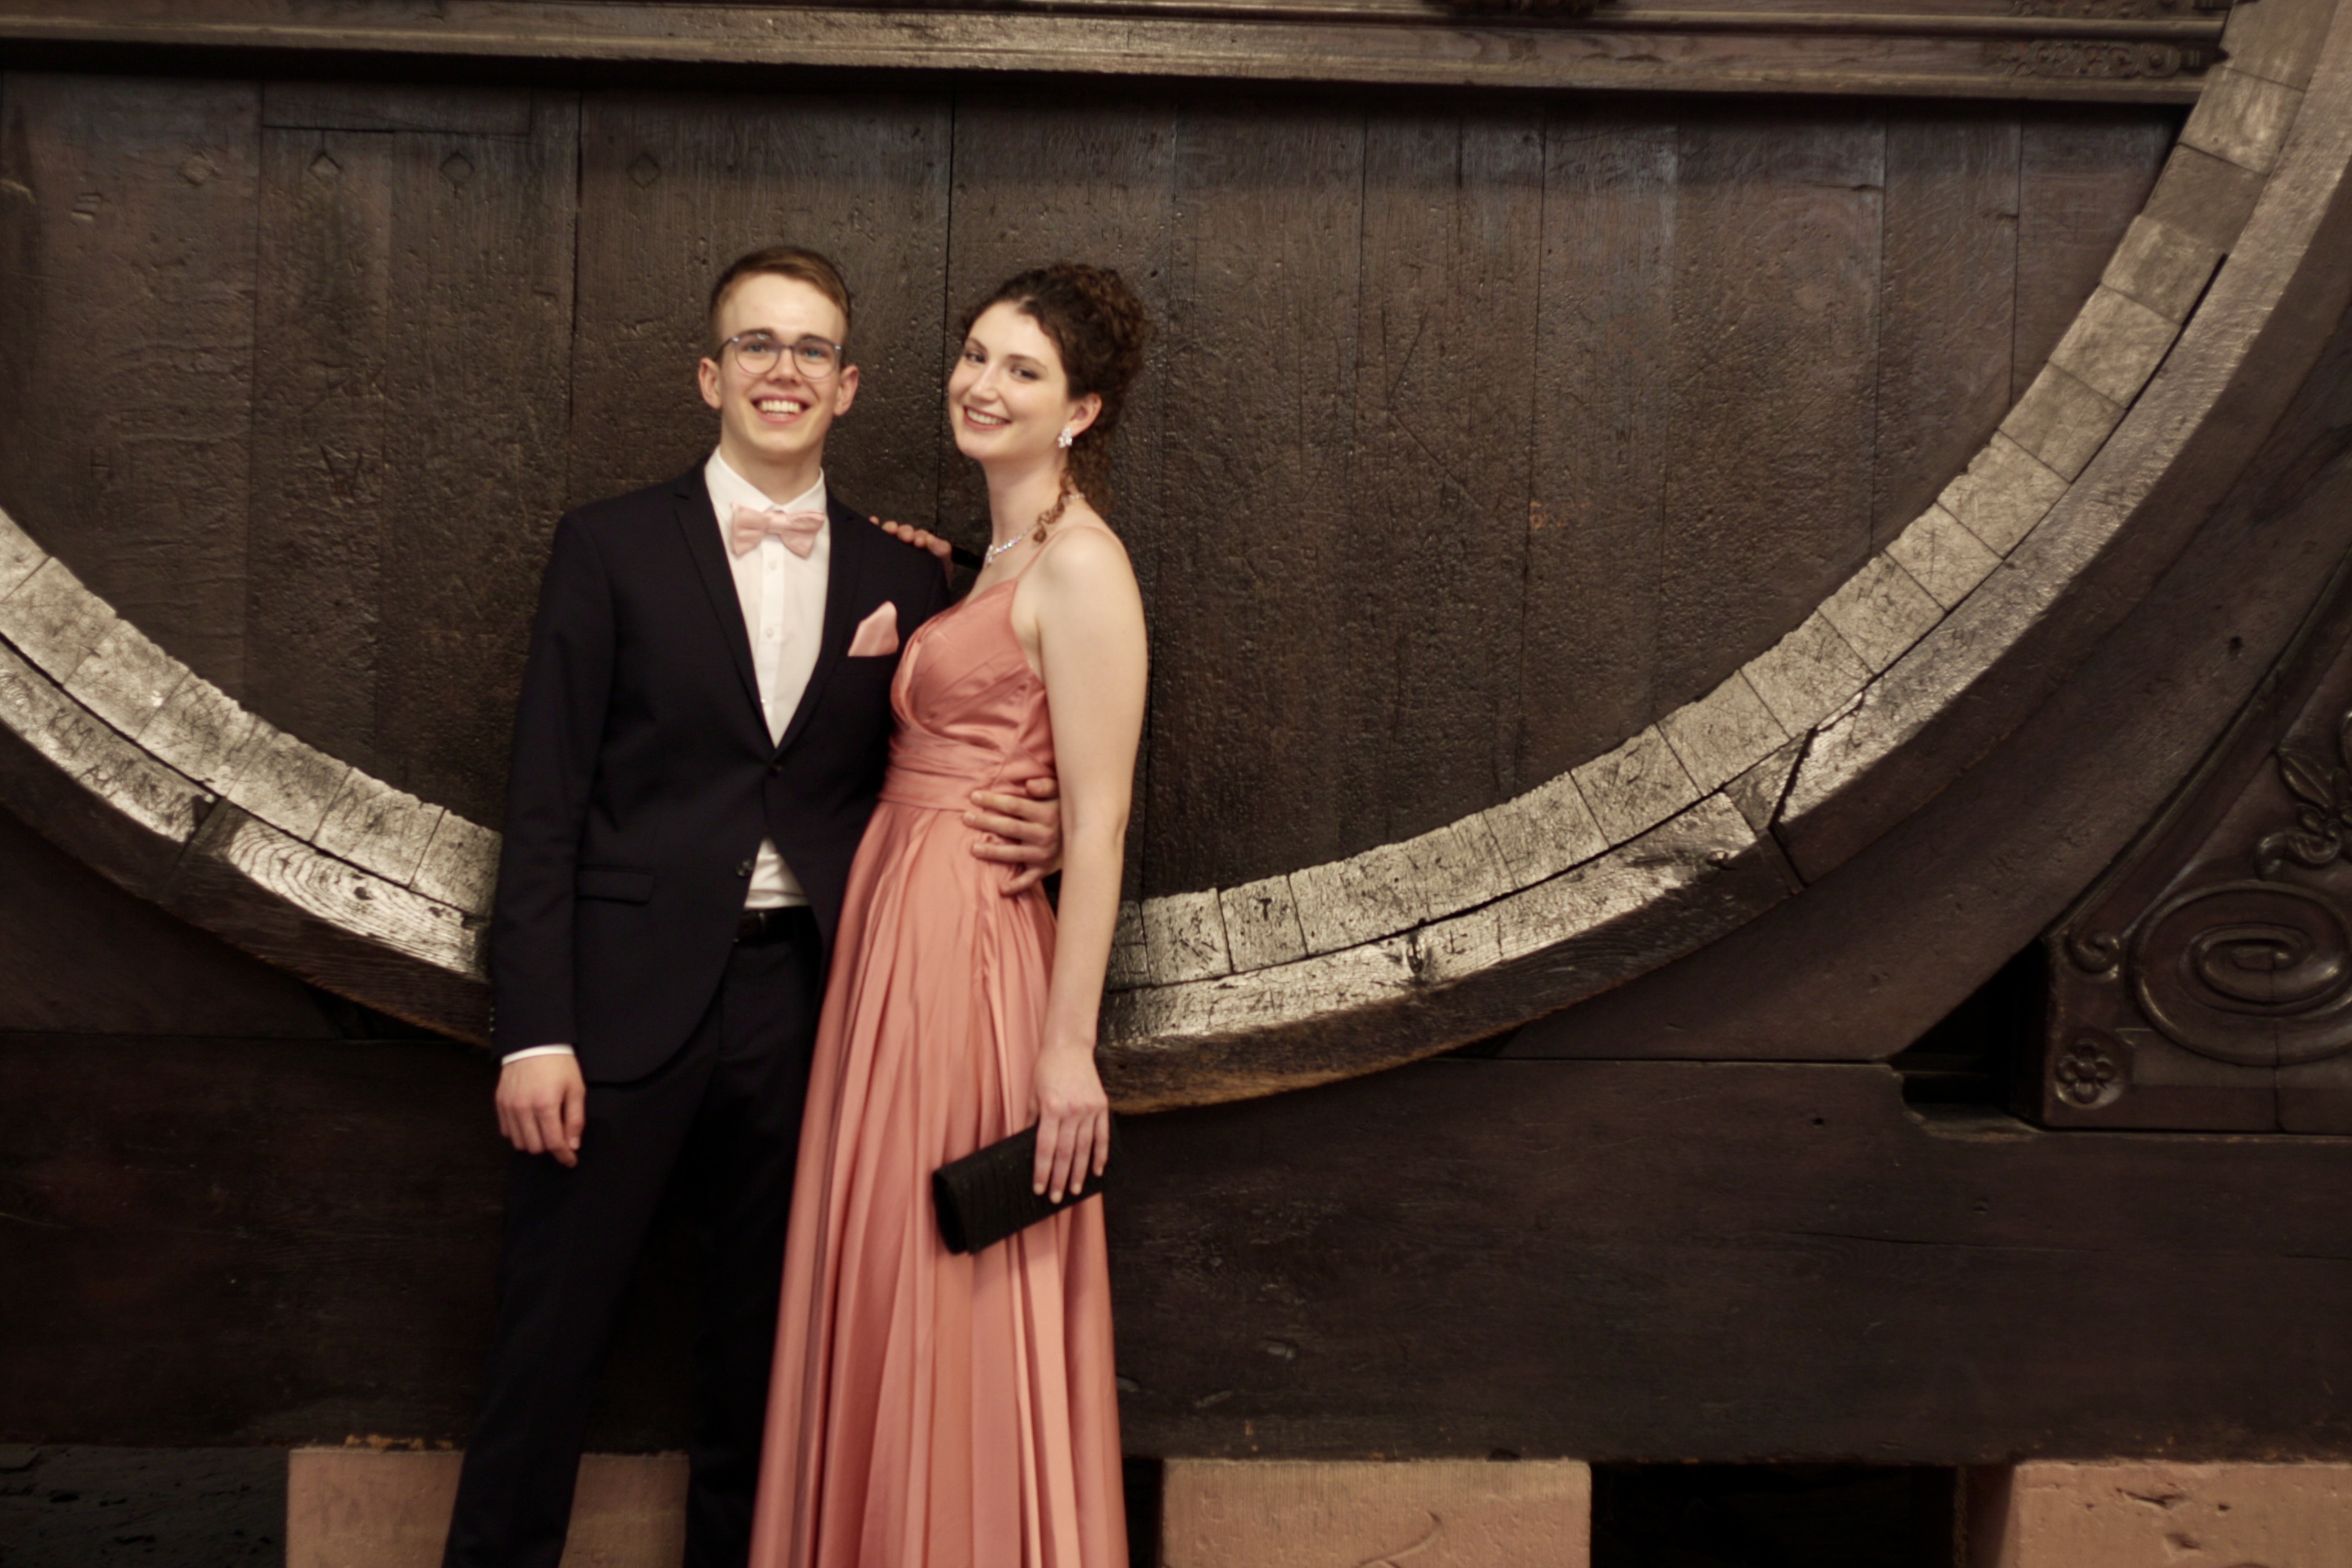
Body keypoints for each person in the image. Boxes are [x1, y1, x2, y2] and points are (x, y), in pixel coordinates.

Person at [445, 246, 1063, 1568]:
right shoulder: (606, 547)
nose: (785, 370)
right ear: (710, 374)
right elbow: (543, 804)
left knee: (765, 1380)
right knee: (543, 1358)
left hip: (814, 1008)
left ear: (847, 387)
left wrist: (1048, 818)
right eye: (757, 344)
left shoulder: (913, 576)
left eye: (811, 349)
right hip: (615, 1011)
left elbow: (978, 735)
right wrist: (533, 1031)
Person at [750, 261, 1152, 1568]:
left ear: (1080, 411)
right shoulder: (995, 561)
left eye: (1022, 370)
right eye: (975, 355)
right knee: (882, 1271)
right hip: (895, 946)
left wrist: (1067, 1050)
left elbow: (1098, 821)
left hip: (970, 960)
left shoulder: (1085, 568)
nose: (982, 384)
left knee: (948, 1280)